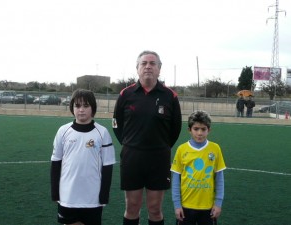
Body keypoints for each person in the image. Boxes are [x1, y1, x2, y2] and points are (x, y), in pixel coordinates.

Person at [112, 50, 182, 225]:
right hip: (132, 158)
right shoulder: (125, 95)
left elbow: (176, 128)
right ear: (137, 68)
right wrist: (130, 144)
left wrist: (161, 146)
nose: (148, 67)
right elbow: (116, 124)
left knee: (155, 209)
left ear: (159, 69)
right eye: (144, 63)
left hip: (159, 159)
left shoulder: (170, 96)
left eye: (152, 63)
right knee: (132, 207)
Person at [50, 89, 116, 225]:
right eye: (77, 106)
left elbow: (108, 166)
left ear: (93, 108)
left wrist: (104, 195)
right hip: (68, 195)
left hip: (92, 197)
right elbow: (56, 163)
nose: (81, 110)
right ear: (72, 108)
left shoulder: (102, 133)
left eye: (86, 106)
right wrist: (55, 192)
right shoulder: (63, 131)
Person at [171, 110, 226, 225]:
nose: (200, 133)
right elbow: (176, 179)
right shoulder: (182, 149)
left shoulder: (215, 149)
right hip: (186, 206)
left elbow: (219, 179)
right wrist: (177, 205)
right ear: (189, 130)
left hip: (208, 207)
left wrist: (218, 203)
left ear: (209, 130)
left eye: (203, 129)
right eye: (196, 129)